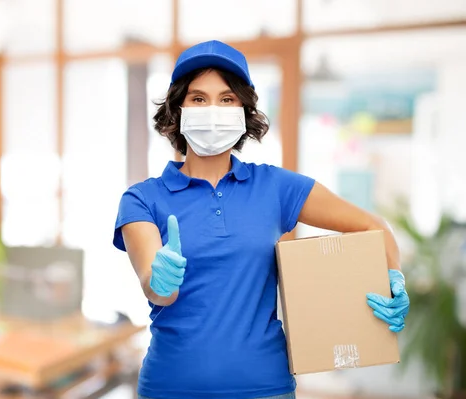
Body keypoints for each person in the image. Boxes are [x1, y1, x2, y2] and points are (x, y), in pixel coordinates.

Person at [112, 40, 410, 399]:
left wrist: (393, 278)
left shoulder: (276, 187)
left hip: (266, 388)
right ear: (177, 110)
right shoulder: (142, 199)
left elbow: (374, 227)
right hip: (170, 388)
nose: (213, 109)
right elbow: (156, 290)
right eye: (198, 98)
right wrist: (161, 280)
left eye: (226, 99)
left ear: (243, 111)